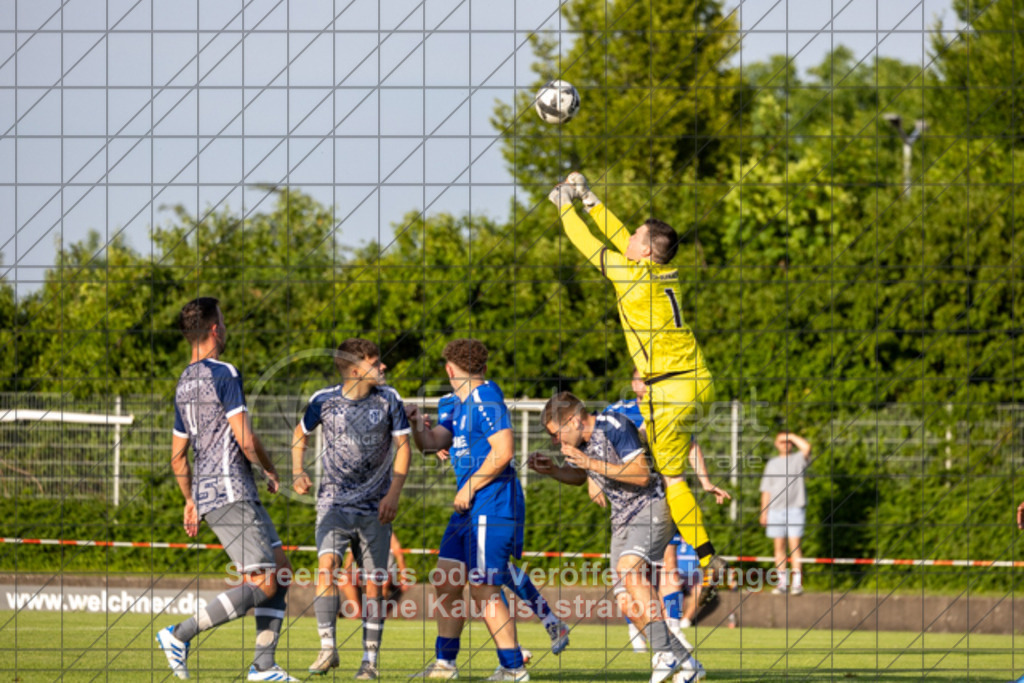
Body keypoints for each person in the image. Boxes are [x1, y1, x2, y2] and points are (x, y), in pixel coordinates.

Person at [549, 172, 730, 580]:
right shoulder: (666, 271)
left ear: (645, 250)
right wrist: (589, 198)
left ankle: (707, 557)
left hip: (669, 387)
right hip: (700, 379)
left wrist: (563, 204)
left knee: (671, 477)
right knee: (673, 466)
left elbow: (589, 245)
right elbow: (617, 236)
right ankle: (705, 555)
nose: (626, 237)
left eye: (634, 235)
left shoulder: (631, 275)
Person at [157, 297, 298, 682]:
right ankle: (179, 635)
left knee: (281, 574)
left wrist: (190, 500)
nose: (226, 325)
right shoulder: (223, 372)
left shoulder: (183, 383)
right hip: (230, 490)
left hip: (217, 492)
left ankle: (264, 667)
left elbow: (177, 457)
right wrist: (270, 469)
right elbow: (246, 439)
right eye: (224, 319)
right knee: (265, 581)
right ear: (215, 328)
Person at [531, 391, 705, 683]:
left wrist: (590, 464)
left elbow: (640, 475)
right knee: (627, 604)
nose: (555, 441)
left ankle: (663, 654)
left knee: (629, 569)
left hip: (650, 507)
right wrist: (553, 471)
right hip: (621, 520)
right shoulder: (583, 441)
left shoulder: (615, 425)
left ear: (573, 421)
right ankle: (688, 663)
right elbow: (579, 476)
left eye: (556, 433)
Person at [405, 339, 531, 681]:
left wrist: (470, 485)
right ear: (484, 366)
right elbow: (432, 445)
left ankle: (513, 668)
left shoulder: (486, 397)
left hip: (491, 501)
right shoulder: (453, 403)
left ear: (449, 370)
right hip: (468, 508)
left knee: (483, 586)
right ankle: (445, 663)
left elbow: (503, 451)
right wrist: (417, 422)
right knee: (445, 581)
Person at [291, 338, 411, 679]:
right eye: (377, 362)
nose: (384, 366)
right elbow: (299, 435)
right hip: (334, 503)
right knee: (326, 567)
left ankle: (369, 662)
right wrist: (298, 471)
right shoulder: (323, 400)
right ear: (356, 370)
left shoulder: (390, 399)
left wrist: (394, 494)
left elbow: (404, 448)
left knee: (374, 584)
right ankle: (327, 648)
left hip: (376, 507)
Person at [759, 432, 812, 595]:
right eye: (781, 442)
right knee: (779, 547)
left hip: (795, 508)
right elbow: (766, 490)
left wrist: (790, 436)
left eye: (788, 442)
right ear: (776, 444)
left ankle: (796, 583)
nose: (785, 444)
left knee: (795, 546)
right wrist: (764, 512)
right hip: (775, 510)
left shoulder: (798, 459)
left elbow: (807, 447)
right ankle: (782, 583)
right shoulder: (772, 464)